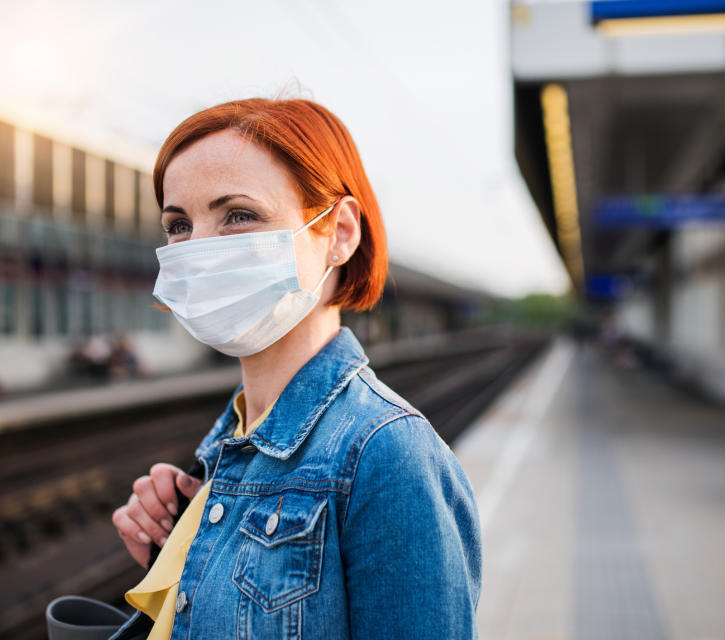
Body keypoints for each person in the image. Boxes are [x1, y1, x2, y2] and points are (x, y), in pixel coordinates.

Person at [109, 99, 481, 639]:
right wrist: (178, 556)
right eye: (180, 224)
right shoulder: (230, 442)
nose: (200, 250)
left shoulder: (389, 457)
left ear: (339, 232)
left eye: (238, 215)